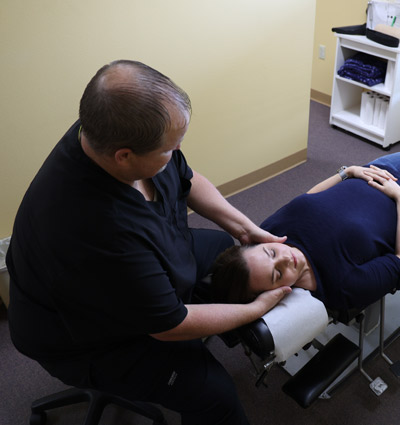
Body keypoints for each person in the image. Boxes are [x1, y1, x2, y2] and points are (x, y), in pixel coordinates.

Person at [6, 60, 290, 425]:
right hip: (88, 339)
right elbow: (169, 324)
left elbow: (189, 178)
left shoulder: (105, 131)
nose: (176, 153)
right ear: (124, 156)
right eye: (171, 148)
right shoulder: (96, 230)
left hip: (142, 259)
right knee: (215, 395)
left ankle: (240, 334)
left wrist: (246, 228)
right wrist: (258, 307)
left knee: (225, 248)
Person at [212, 149, 400, 311]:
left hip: (374, 171)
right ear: (276, 293)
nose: (285, 258)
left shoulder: (269, 235)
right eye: (277, 274)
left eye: (271, 253)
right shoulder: (342, 286)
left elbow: (308, 200)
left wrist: (348, 172)